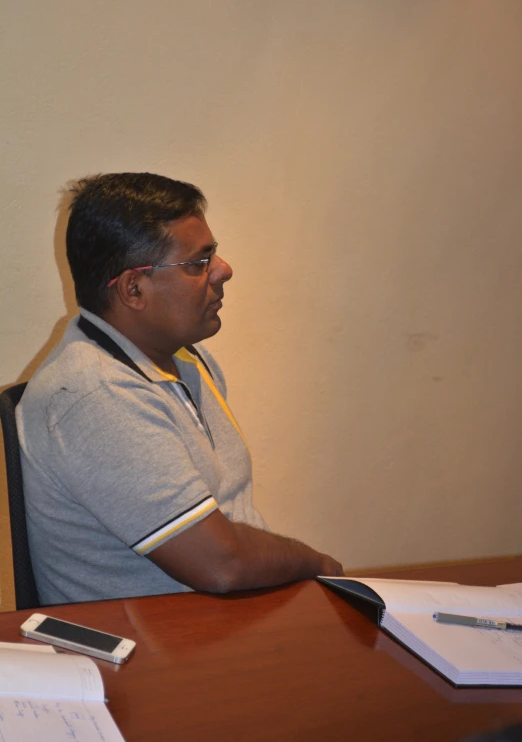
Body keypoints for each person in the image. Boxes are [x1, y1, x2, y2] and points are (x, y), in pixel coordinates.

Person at [17, 172, 343, 604]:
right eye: (198, 262)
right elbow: (220, 563)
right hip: (153, 655)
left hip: (223, 625)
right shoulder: (93, 396)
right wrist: (317, 565)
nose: (223, 271)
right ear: (134, 288)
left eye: (214, 255)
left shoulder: (186, 358)